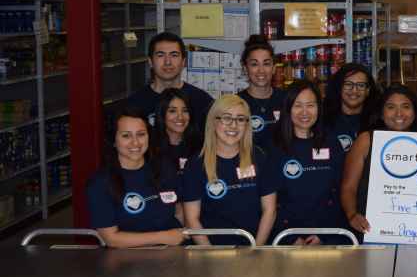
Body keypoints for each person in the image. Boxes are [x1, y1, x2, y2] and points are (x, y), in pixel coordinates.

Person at [181, 94, 277, 246]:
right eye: (226, 118)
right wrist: (210, 254)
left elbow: (269, 210)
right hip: (211, 251)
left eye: (240, 119)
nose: (233, 125)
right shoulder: (196, 164)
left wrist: (256, 250)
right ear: (213, 121)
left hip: (253, 248)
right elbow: (192, 219)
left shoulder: (259, 157)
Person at [86, 107, 185, 248]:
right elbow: (111, 238)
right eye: (126, 136)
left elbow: (179, 208)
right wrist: (163, 237)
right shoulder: (100, 182)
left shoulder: (165, 168)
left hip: (172, 252)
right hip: (127, 257)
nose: (135, 142)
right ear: (113, 140)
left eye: (141, 134)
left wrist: (178, 237)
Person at [269, 80, 349, 245]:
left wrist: (323, 235)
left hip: (328, 236)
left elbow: (341, 193)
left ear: (319, 108)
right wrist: (290, 237)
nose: (304, 112)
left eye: (310, 105)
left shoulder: (331, 143)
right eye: (297, 105)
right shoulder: (274, 146)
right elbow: (269, 201)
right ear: (288, 109)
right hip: (285, 238)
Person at [341, 85, 417, 239]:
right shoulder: (366, 140)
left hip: (415, 231)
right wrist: (352, 214)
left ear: (415, 112)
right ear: (381, 113)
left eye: (406, 106)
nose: (399, 113)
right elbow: (348, 186)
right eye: (391, 107)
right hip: (370, 229)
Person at [126, 32, 213, 130]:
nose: (167, 62)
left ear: (183, 62)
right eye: (160, 55)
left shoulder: (202, 101)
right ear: (150, 62)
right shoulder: (134, 103)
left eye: (174, 55)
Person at [238, 34, 285, 152]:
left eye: (266, 63)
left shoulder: (286, 100)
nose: (261, 70)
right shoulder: (236, 103)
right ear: (245, 69)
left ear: (274, 68)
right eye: (254, 64)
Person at [324, 63, 379, 153]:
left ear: (368, 90)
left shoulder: (377, 123)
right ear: (339, 87)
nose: (354, 90)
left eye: (361, 85)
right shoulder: (324, 121)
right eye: (348, 84)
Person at [150, 88, 202, 175]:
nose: (180, 117)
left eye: (185, 111)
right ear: (162, 114)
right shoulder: (150, 148)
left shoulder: (200, 148)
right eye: (172, 111)